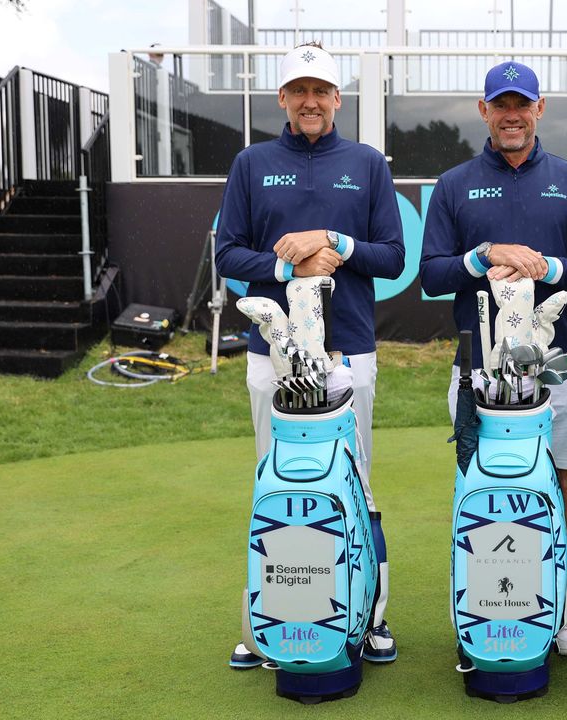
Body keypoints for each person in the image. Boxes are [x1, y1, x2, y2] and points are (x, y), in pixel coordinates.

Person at [215, 42, 405, 667]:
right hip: (271, 352)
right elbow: (228, 256)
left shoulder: (368, 163)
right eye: (299, 90)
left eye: (321, 91)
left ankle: (370, 618)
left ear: (337, 99)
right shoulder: (251, 163)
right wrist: (286, 262)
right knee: (276, 485)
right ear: (283, 99)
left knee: (359, 485)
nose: (310, 101)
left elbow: (392, 257)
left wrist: (335, 242)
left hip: (348, 347)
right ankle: (264, 624)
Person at [420, 61, 567, 656]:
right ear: (484, 111)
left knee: (558, 481)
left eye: (521, 104)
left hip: (560, 361)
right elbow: (429, 275)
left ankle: (562, 608)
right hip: (476, 369)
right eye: (500, 105)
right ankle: (482, 605)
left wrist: (548, 269)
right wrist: (483, 257)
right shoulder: (454, 184)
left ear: (539, 108)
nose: (511, 115)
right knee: (477, 483)